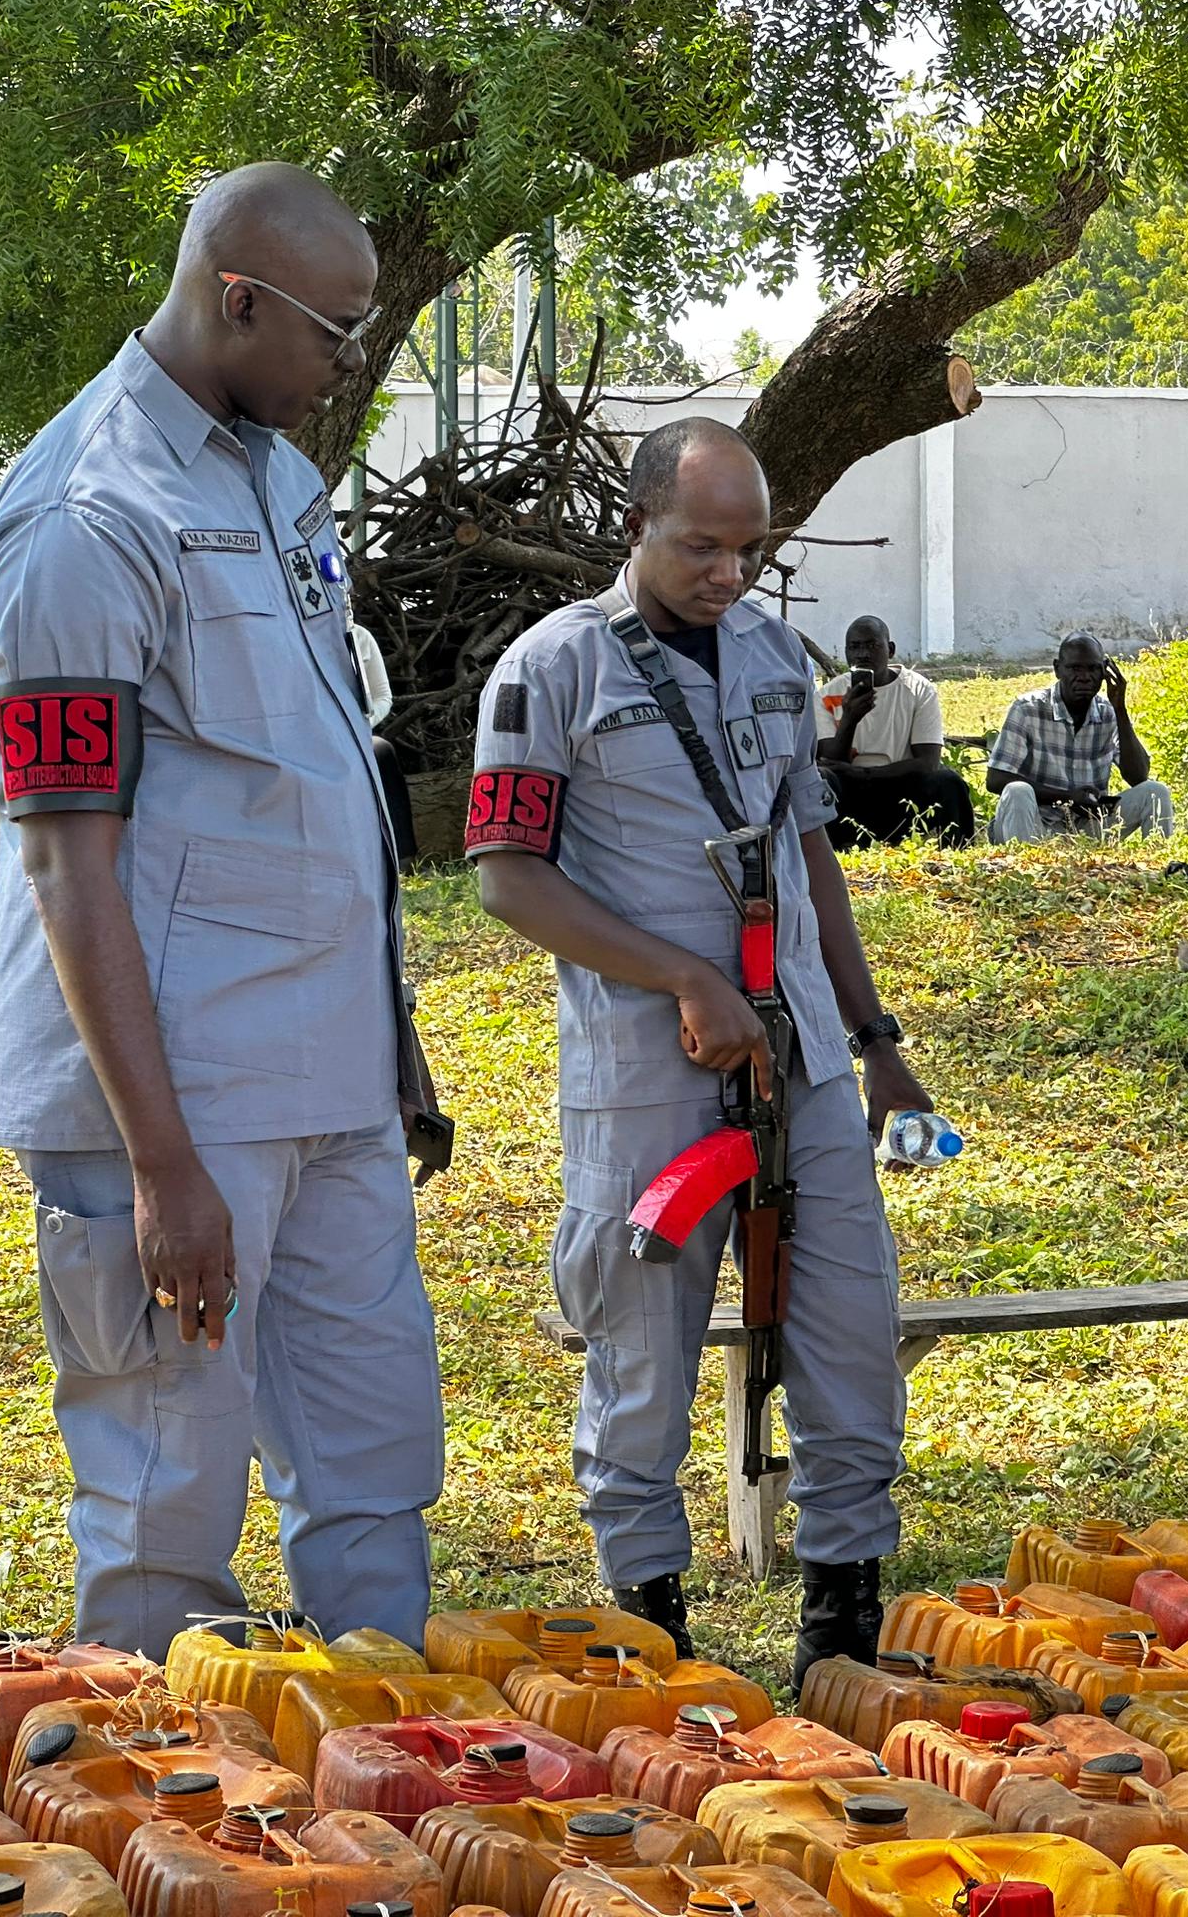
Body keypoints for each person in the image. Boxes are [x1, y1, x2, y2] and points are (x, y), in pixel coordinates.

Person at [0, 162, 446, 1661]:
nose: (349, 362)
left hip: (329, 1083)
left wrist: (394, 1043)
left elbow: (309, 788)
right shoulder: (84, 515)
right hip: (173, 1113)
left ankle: (380, 1791)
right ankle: (157, 1846)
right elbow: (67, 861)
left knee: (374, 1468)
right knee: (169, 1504)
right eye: (336, 329)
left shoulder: (272, 476)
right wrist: (164, 1167)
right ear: (235, 297)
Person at [467, 414, 931, 1685]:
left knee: (848, 1328)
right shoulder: (549, 669)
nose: (728, 572)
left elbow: (809, 859)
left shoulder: (779, 659)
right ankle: (651, 1636)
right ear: (635, 526)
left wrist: (873, 1035)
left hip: (805, 1066)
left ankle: (841, 1628)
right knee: (641, 1348)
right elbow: (507, 879)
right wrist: (677, 974)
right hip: (648, 1078)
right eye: (700, 546)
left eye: (748, 547)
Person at [986, 635, 1175, 844]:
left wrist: (1120, 708)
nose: (1085, 677)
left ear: (1104, 671)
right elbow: (996, 779)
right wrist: (1068, 797)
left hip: (1088, 828)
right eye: (1075, 668)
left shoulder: (1108, 712)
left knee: (1156, 792)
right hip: (1037, 824)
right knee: (1017, 791)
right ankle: (1023, 869)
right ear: (1058, 669)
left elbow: (1138, 776)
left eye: (1093, 669)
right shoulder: (1028, 709)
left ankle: (1165, 869)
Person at [815, 617, 975, 847]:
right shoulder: (827, 695)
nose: (862, 654)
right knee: (823, 781)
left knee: (948, 781)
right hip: (850, 792)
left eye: (872, 645)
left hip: (901, 787)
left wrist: (864, 773)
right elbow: (830, 762)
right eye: (855, 647)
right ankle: (831, 851)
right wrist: (849, 718)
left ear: (890, 650)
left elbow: (928, 762)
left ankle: (958, 851)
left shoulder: (918, 689)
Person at [351, 619, 420, 865]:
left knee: (382, 751)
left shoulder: (360, 636)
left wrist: (360, 724)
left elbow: (383, 696)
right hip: (308, 737)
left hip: (355, 733)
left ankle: (404, 856)